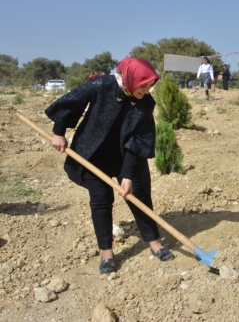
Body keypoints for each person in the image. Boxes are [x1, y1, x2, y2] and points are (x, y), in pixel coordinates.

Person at [45, 58, 174, 274]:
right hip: (94, 154)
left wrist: (128, 174)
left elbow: (140, 139)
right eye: (144, 86)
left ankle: (154, 242)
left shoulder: (145, 102)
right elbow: (72, 102)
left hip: (127, 155)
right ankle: (107, 253)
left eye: (149, 86)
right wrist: (59, 132)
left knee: (140, 196)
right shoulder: (102, 85)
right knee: (100, 200)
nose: (146, 90)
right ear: (131, 79)